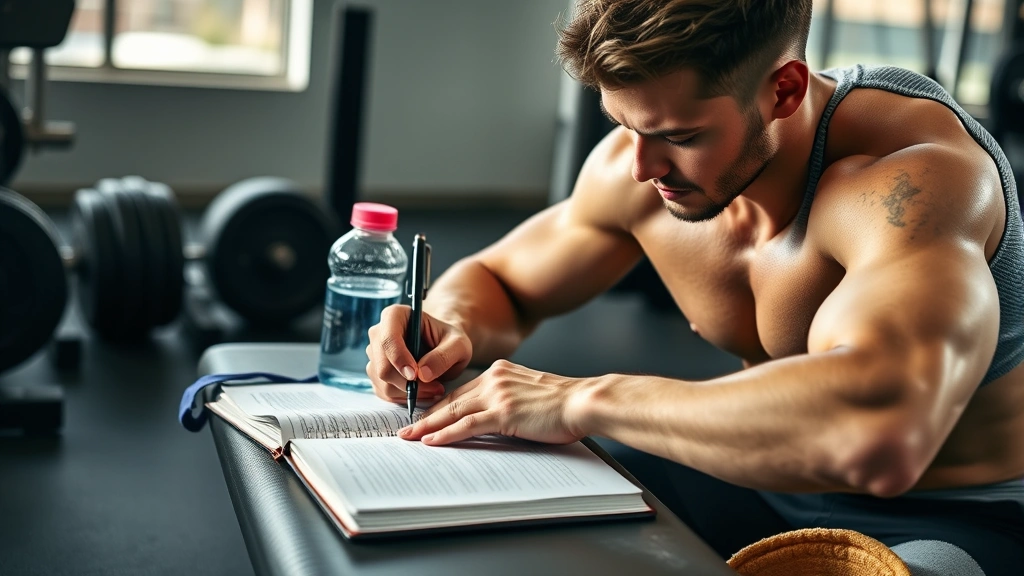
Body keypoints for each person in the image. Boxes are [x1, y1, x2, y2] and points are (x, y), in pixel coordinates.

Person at [366, 1, 1024, 573]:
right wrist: (446, 326)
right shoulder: (639, 161)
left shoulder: (912, 184)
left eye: (679, 136)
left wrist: (584, 399)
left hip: (951, 518)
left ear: (784, 91)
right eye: (626, 126)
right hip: (749, 482)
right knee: (500, 523)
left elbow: (881, 436)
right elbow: (502, 281)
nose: (644, 165)